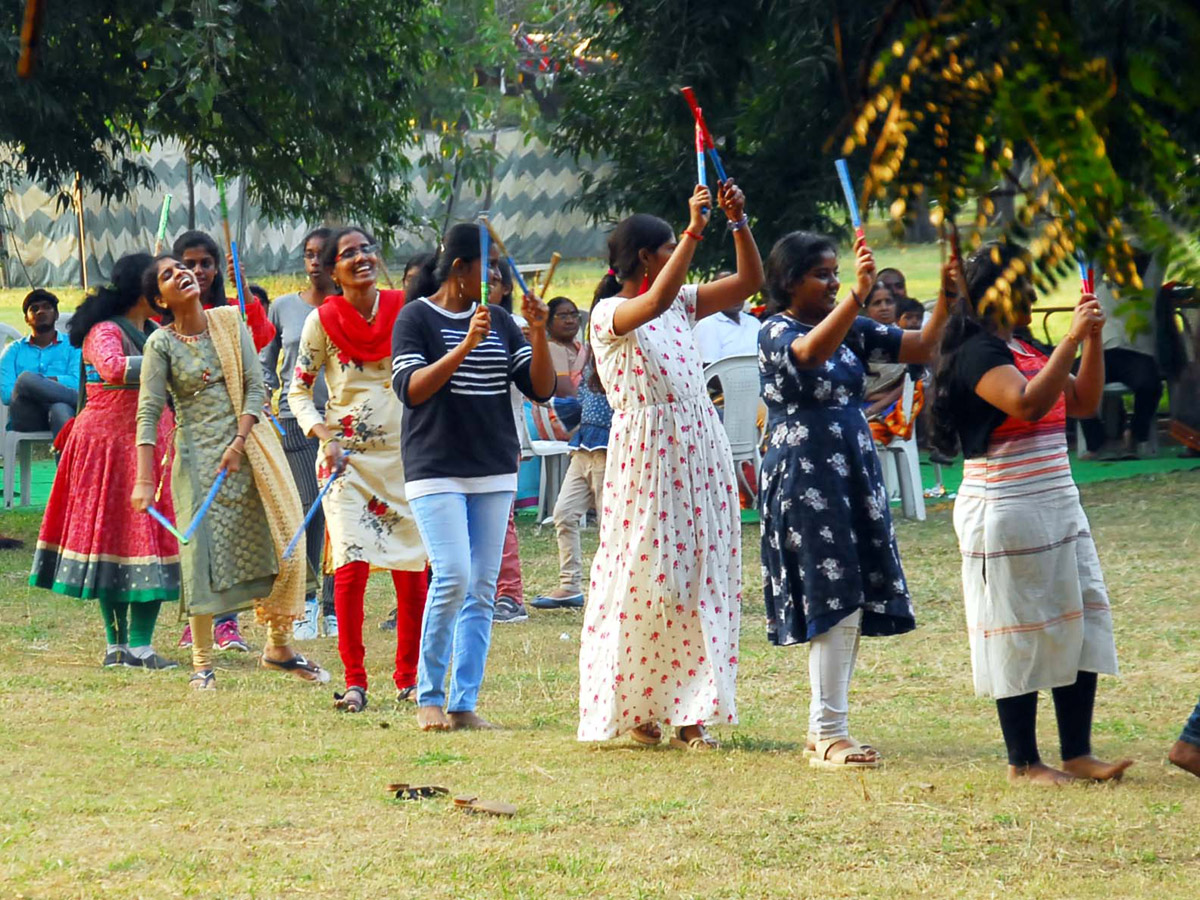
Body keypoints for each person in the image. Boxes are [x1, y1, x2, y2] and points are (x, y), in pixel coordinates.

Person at [932, 240, 1131, 785]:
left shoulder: (1021, 344)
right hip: (1007, 506)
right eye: (1025, 285)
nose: (1032, 294)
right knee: (1017, 628)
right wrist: (1070, 338)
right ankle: (1024, 761)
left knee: (1080, 618)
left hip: (1056, 501)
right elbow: (1025, 403)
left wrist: (1090, 342)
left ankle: (1077, 752)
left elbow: (1083, 402)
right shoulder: (977, 353)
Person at [578, 179, 762, 750]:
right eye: (668, 252)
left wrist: (737, 223)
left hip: (698, 448)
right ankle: (637, 707)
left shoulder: (682, 300)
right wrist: (695, 228)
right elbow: (653, 302)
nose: (677, 262)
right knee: (649, 576)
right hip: (648, 455)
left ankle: (691, 713)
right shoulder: (611, 313)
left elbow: (750, 282)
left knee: (701, 575)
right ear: (644, 257)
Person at [757, 233, 951, 769]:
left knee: (852, 596)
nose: (834, 281)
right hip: (806, 477)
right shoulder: (776, 330)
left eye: (836, 272)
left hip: (851, 475)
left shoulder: (853, 329)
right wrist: (854, 299)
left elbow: (921, 346)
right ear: (789, 280)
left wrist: (948, 296)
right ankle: (826, 732)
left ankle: (830, 724)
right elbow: (808, 353)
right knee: (831, 595)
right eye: (822, 274)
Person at [133, 255, 327, 690]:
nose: (182, 273)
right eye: (168, 274)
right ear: (157, 299)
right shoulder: (159, 344)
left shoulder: (227, 321)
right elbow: (148, 413)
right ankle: (202, 663)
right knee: (201, 559)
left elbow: (256, 386)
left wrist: (239, 442)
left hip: (250, 450)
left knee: (282, 543)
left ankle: (278, 649)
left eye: (183, 267)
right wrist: (144, 478)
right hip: (198, 465)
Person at [392, 222, 555, 731]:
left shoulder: (503, 323)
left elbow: (542, 389)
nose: (496, 280)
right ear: (460, 269)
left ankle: (464, 703)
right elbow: (411, 390)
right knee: (454, 575)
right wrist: (464, 345)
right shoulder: (416, 318)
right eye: (487, 270)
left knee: (482, 586)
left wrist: (538, 332)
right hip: (435, 466)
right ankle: (428, 696)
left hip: (493, 466)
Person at [288, 226, 429, 712]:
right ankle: (355, 681)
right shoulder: (321, 322)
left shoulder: (406, 310)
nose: (362, 258)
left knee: (413, 571)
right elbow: (298, 391)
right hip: (345, 461)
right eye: (349, 254)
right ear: (332, 270)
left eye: (367, 248)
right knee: (349, 568)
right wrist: (322, 436)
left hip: (408, 455)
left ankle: (409, 678)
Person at [29, 254, 180, 669]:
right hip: (108, 449)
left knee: (150, 540)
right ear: (143, 289)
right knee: (113, 542)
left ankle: (141, 645)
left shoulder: (155, 331)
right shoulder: (105, 330)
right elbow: (112, 369)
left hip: (150, 445)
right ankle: (117, 645)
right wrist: (166, 358)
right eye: (160, 281)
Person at [171, 230, 276, 653]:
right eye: (188, 264)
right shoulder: (168, 324)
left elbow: (262, 334)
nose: (198, 271)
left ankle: (228, 622)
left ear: (217, 268)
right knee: (195, 535)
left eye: (205, 264)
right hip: (188, 441)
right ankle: (197, 620)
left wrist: (244, 289)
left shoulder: (231, 314)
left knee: (231, 530)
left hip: (237, 437)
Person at [260, 227, 338, 641]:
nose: (313, 262)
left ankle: (333, 605)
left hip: (343, 422)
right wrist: (262, 403)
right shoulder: (284, 307)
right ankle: (307, 604)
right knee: (309, 510)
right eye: (308, 254)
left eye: (321, 254)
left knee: (338, 515)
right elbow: (266, 361)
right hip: (295, 419)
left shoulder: (351, 307)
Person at [532, 295, 614, 610]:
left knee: (610, 520)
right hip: (582, 442)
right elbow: (565, 392)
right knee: (564, 514)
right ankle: (570, 585)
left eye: (574, 315)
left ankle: (613, 587)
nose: (571, 321)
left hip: (604, 444)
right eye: (562, 315)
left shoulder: (602, 353)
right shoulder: (567, 350)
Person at [1077, 254, 1165, 459]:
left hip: (1137, 356)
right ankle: (1096, 441)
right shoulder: (1097, 288)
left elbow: (1161, 255)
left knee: (1150, 385)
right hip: (1101, 354)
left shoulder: (1147, 289)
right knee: (1072, 380)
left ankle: (1135, 434)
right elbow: (1087, 254)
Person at [0, 289, 81, 439]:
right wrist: (44, 383)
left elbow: (77, 382)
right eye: (34, 309)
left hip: (63, 410)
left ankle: (68, 464)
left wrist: (39, 384)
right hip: (26, 415)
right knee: (25, 379)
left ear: (56, 315)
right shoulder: (12, 351)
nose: (40, 311)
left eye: (46, 307)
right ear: (26, 319)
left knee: (59, 409)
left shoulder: (73, 347)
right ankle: (82, 400)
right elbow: (6, 395)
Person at [691, 274, 761, 366]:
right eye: (729, 291)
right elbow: (711, 370)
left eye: (739, 289)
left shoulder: (754, 323)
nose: (736, 296)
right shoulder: (707, 325)